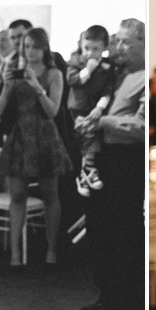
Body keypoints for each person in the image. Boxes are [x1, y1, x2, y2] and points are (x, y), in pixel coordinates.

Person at [79, 19, 148, 310]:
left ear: (144, 44)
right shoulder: (117, 75)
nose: (118, 47)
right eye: (117, 41)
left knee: (129, 233)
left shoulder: (148, 78)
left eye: (125, 42)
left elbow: (142, 127)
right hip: (108, 156)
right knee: (103, 228)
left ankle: (138, 304)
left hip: (128, 159)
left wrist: (103, 122)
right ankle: (111, 295)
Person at [0, 26, 71, 266]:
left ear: (44, 48)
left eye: (35, 47)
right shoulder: (15, 71)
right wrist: (6, 88)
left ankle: (51, 250)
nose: (30, 51)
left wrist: (38, 86)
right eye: (26, 46)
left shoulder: (54, 73)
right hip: (20, 134)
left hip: (45, 135)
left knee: (50, 194)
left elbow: (53, 110)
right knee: (17, 194)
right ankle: (16, 253)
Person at [66, 25, 115, 194]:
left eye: (95, 49)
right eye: (86, 48)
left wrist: (99, 108)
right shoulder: (75, 61)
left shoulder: (108, 67)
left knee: (94, 138)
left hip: (95, 108)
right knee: (86, 135)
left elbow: (108, 90)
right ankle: (88, 172)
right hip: (78, 107)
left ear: (105, 48)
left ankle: (85, 175)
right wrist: (88, 69)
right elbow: (72, 80)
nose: (89, 53)